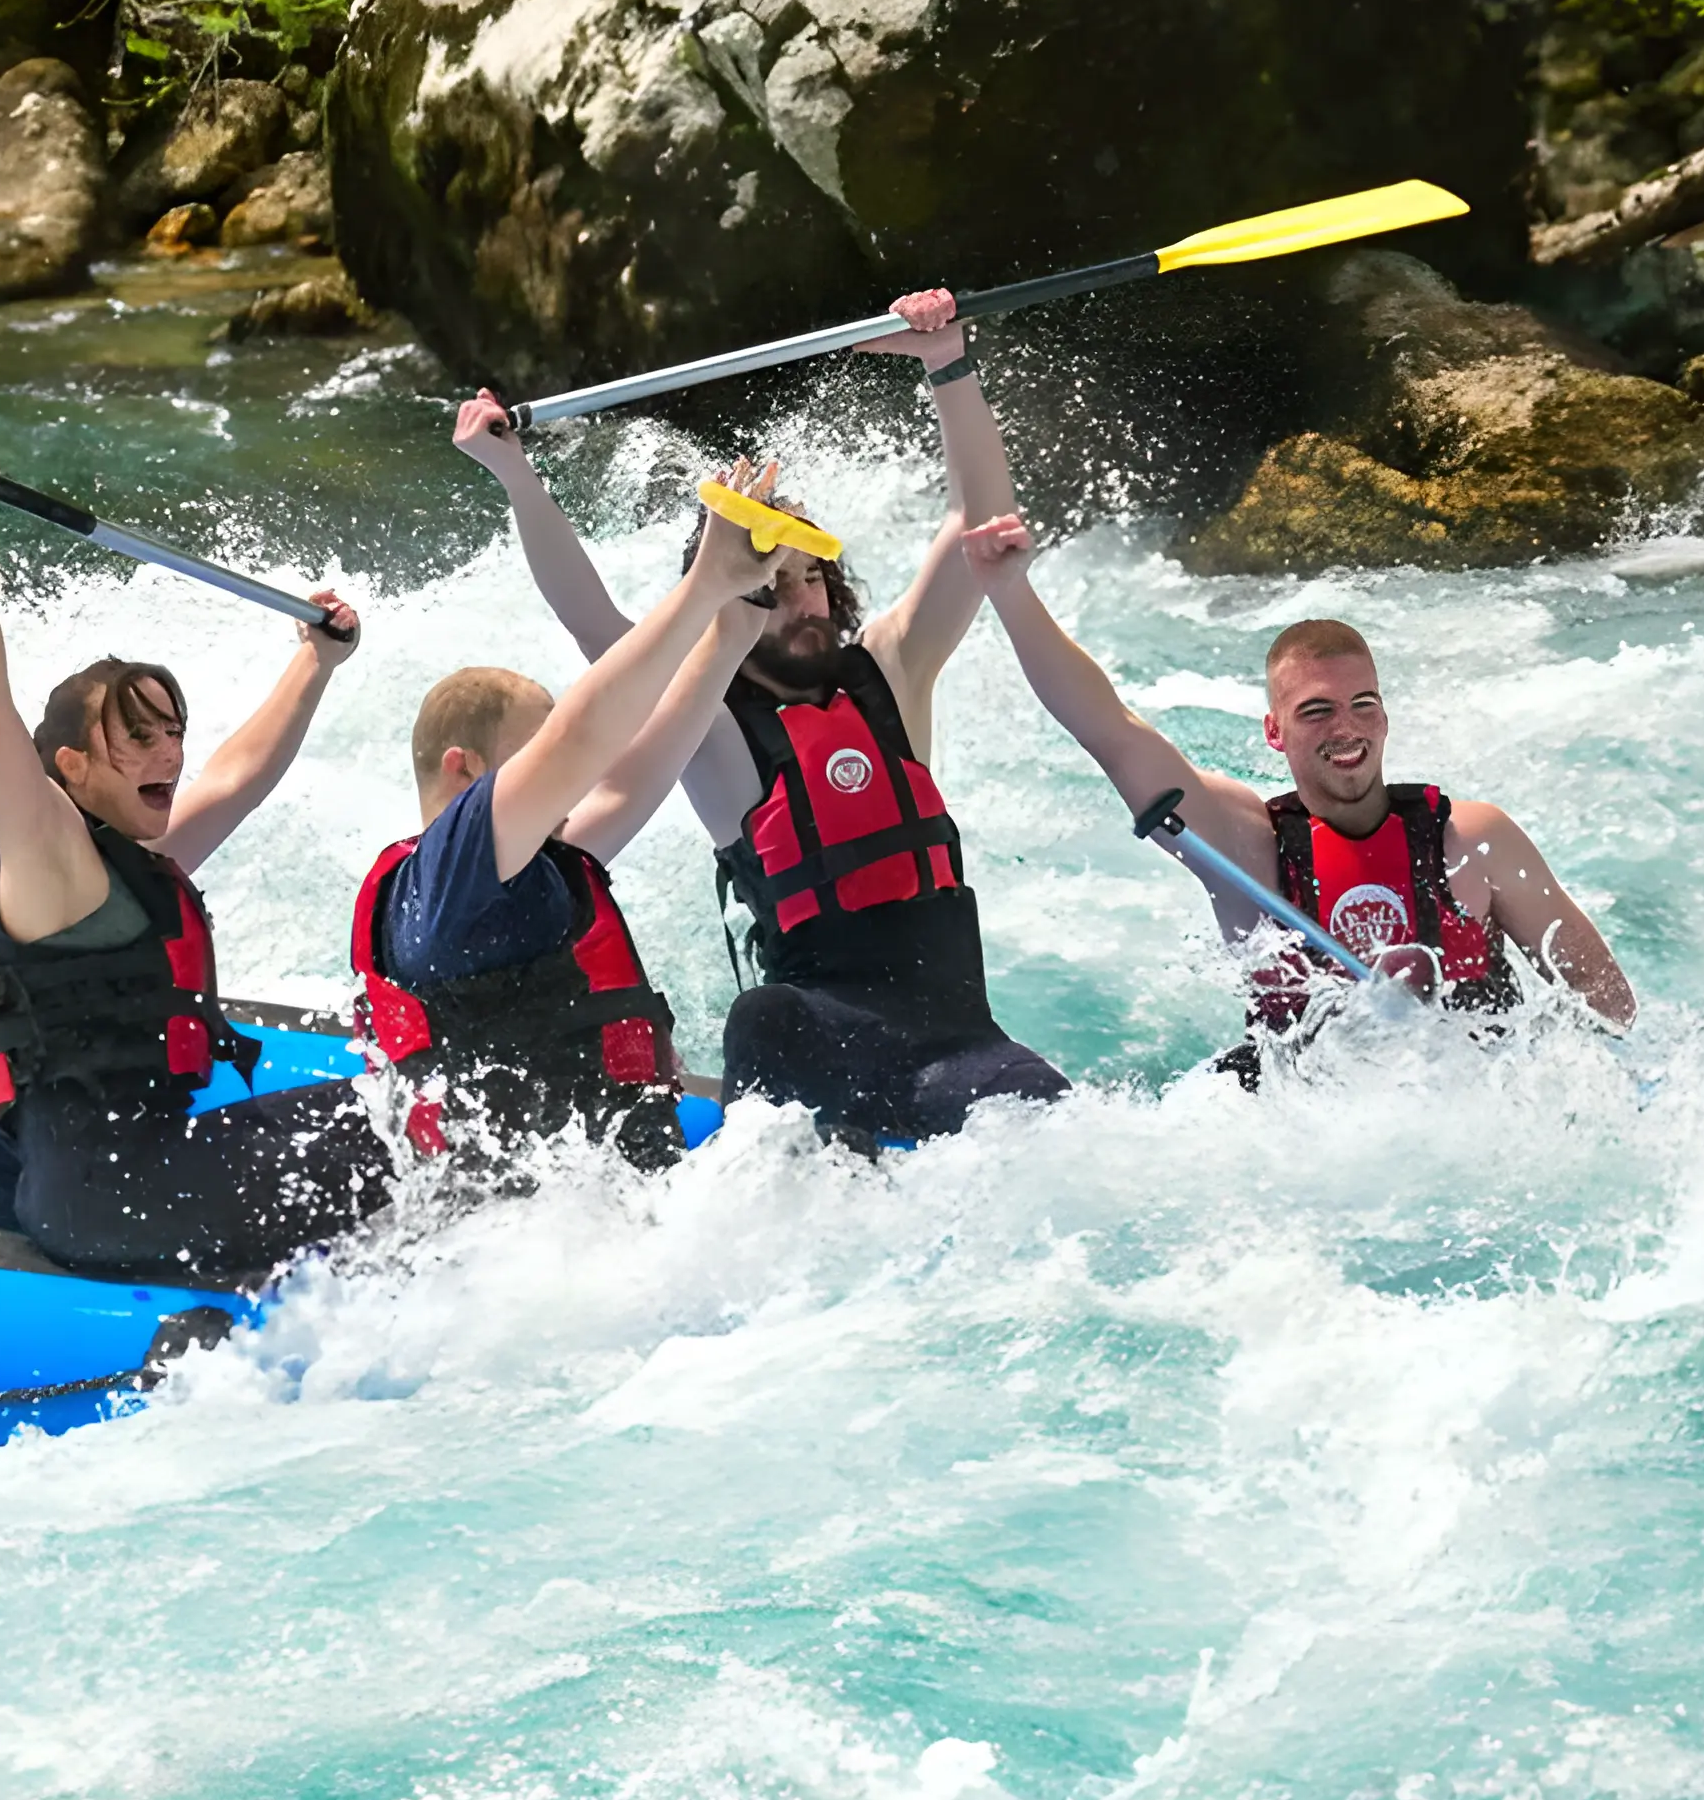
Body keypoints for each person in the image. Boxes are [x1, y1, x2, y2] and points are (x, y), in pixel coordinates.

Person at [451, 291, 1067, 1141]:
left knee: (1057, 1113)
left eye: (809, 576)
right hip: (821, 1029)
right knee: (763, 1015)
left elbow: (978, 523)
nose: (800, 600)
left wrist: (948, 365)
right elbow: (592, 620)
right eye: (771, 587)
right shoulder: (712, 723)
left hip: (958, 1038)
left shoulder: (894, 668)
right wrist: (516, 476)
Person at [0, 441, 389, 1282]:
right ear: (70, 767)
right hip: (107, 1204)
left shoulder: (122, 861)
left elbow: (240, 778)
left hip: (149, 1168)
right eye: (138, 738)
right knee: (408, 1148)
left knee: (401, 1108)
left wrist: (314, 662)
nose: (167, 753)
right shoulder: (47, 854)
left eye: (173, 732)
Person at [956, 514, 1635, 1065]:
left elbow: (1606, 1002)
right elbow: (1107, 728)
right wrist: (1010, 591)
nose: (1347, 728)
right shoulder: (1245, 845)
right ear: (1275, 732)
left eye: (1363, 704)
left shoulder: (1473, 841)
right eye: (1318, 711)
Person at [352, 464, 783, 1166]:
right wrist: (703, 581)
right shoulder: (446, 878)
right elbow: (583, 739)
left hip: (597, 1180)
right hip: (545, 1210)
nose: (567, 783)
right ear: (465, 769)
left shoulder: (520, 866)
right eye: (533, 762)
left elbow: (632, 779)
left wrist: (738, 619)